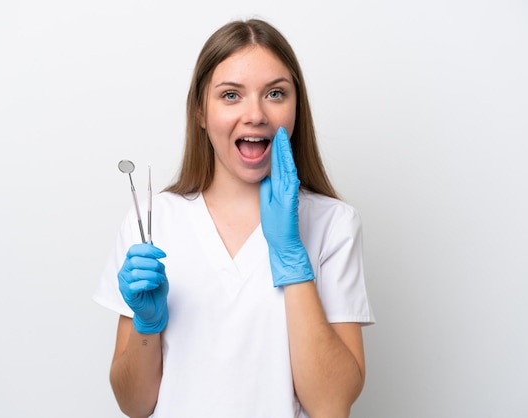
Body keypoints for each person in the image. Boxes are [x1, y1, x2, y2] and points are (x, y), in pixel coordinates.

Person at [93, 17, 374, 418]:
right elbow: (133, 404)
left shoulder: (334, 224)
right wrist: (146, 327)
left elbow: (331, 405)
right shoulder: (157, 222)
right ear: (200, 112)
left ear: (297, 108)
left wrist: (292, 257)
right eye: (230, 95)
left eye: (275, 93)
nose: (255, 114)